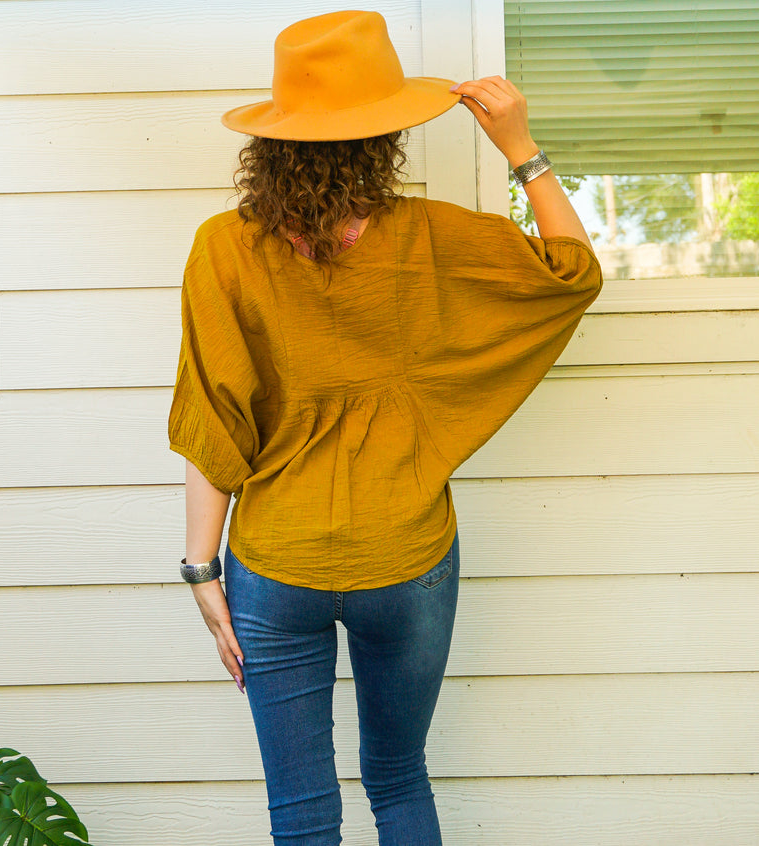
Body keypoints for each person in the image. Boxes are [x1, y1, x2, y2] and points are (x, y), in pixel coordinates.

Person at [168, 10, 601, 846]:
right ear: (385, 137)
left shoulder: (222, 248)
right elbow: (572, 274)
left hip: (275, 562)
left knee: (300, 814)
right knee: (399, 781)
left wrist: (200, 569)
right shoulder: (430, 237)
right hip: (407, 559)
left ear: (275, 136)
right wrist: (521, 147)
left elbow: (213, 417)